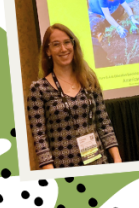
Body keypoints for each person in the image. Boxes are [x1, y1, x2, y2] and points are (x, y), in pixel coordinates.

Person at [25, 23, 121, 169]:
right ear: (48, 51)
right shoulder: (39, 90)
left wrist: (117, 159)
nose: (63, 49)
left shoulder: (89, 80)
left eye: (67, 42)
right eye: (56, 44)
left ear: (73, 45)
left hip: (98, 164)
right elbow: (40, 138)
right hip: (64, 170)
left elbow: (104, 123)